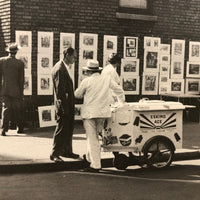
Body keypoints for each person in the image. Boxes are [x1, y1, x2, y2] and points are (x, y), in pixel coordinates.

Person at [75, 59, 125, 172]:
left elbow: (77, 94)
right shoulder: (107, 79)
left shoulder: (86, 81)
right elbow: (119, 90)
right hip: (103, 114)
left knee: (92, 139)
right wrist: (121, 103)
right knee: (95, 138)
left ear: (88, 71)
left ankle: (95, 165)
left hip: (90, 114)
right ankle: (89, 159)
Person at [50, 47, 79, 163]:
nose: (75, 59)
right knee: (61, 128)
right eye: (74, 57)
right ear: (67, 55)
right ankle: (54, 153)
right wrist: (63, 108)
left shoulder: (63, 68)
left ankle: (67, 151)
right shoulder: (59, 69)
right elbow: (60, 91)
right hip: (64, 105)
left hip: (67, 104)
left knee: (68, 128)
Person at [0, 43, 25, 136]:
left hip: (5, 90)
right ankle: (20, 128)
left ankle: (4, 129)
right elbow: (21, 80)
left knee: (6, 109)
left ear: (8, 51)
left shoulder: (1, 61)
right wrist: (21, 93)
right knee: (17, 109)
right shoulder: (20, 63)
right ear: (16, 52)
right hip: (16, 90)